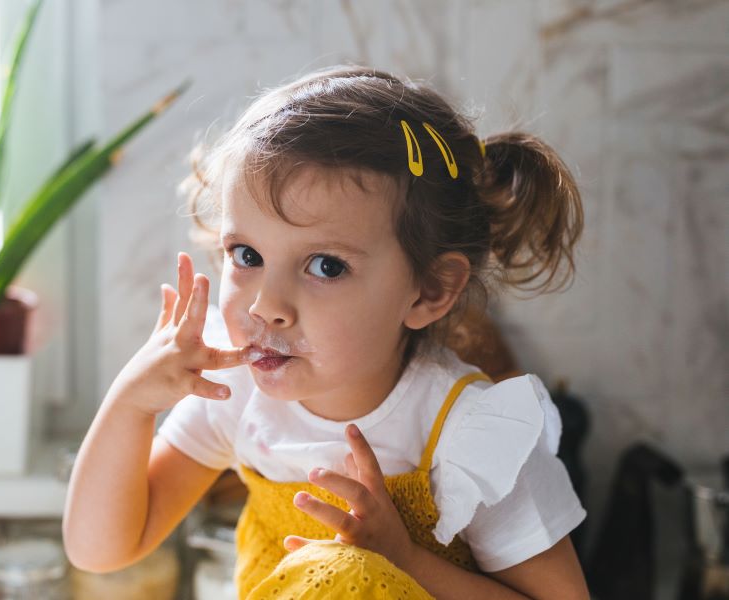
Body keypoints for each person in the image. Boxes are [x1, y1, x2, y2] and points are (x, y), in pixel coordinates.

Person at [63, 65, 590, 599]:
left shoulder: (468, 433)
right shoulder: (234, 393)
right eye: (247, 255)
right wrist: (131, 403)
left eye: (326, 267)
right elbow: (101, 550)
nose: (268, 306)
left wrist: (405, 561)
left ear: (429, 289)